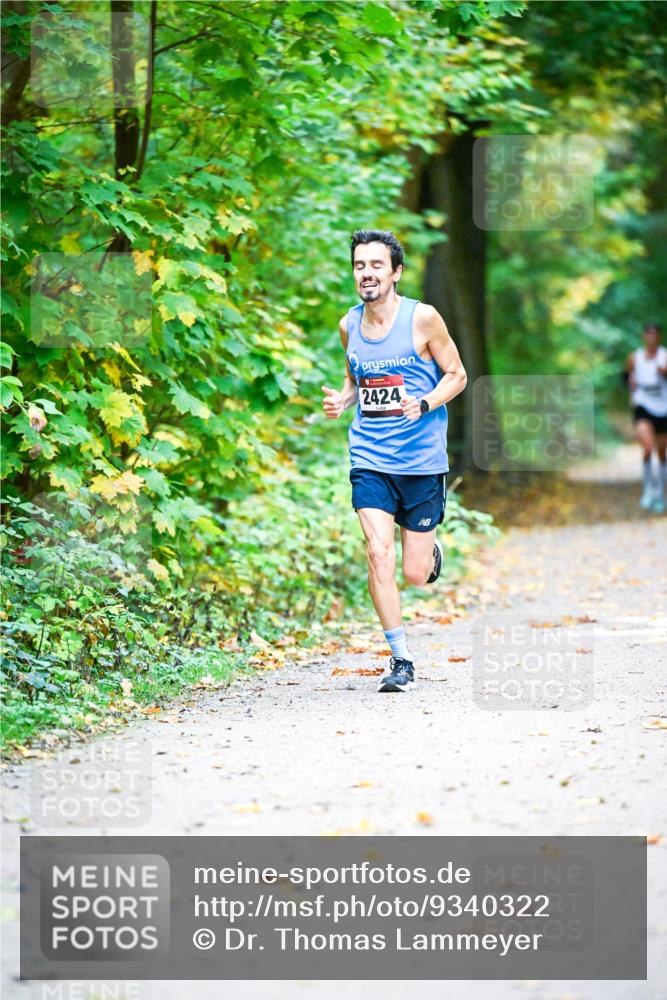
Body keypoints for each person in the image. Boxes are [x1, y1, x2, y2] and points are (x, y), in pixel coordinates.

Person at [321, 229, 467, 692]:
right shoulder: (348, 325)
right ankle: (401, 659)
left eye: (376, 265)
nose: (367, 273)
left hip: (421, 461)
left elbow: (457, 375)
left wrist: (424, 403)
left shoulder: (423, 319)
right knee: (378, 553)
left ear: (396, 272)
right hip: (370, 456)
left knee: (414, 574)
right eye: (359, 265)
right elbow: (354, 379)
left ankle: (429, 554)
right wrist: (342, 399)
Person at [626, 322, 667, 514]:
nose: (651, 337)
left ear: (659, 336)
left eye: (655, 334)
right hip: (643, 406)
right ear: (644, 336)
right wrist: (631, 386)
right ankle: (647, 490)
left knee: (662, 453)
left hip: (664, 408)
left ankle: (659, 493)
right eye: (648, 334)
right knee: (648, 447)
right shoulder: (634, 357)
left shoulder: (665, 356)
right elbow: (626, 377)